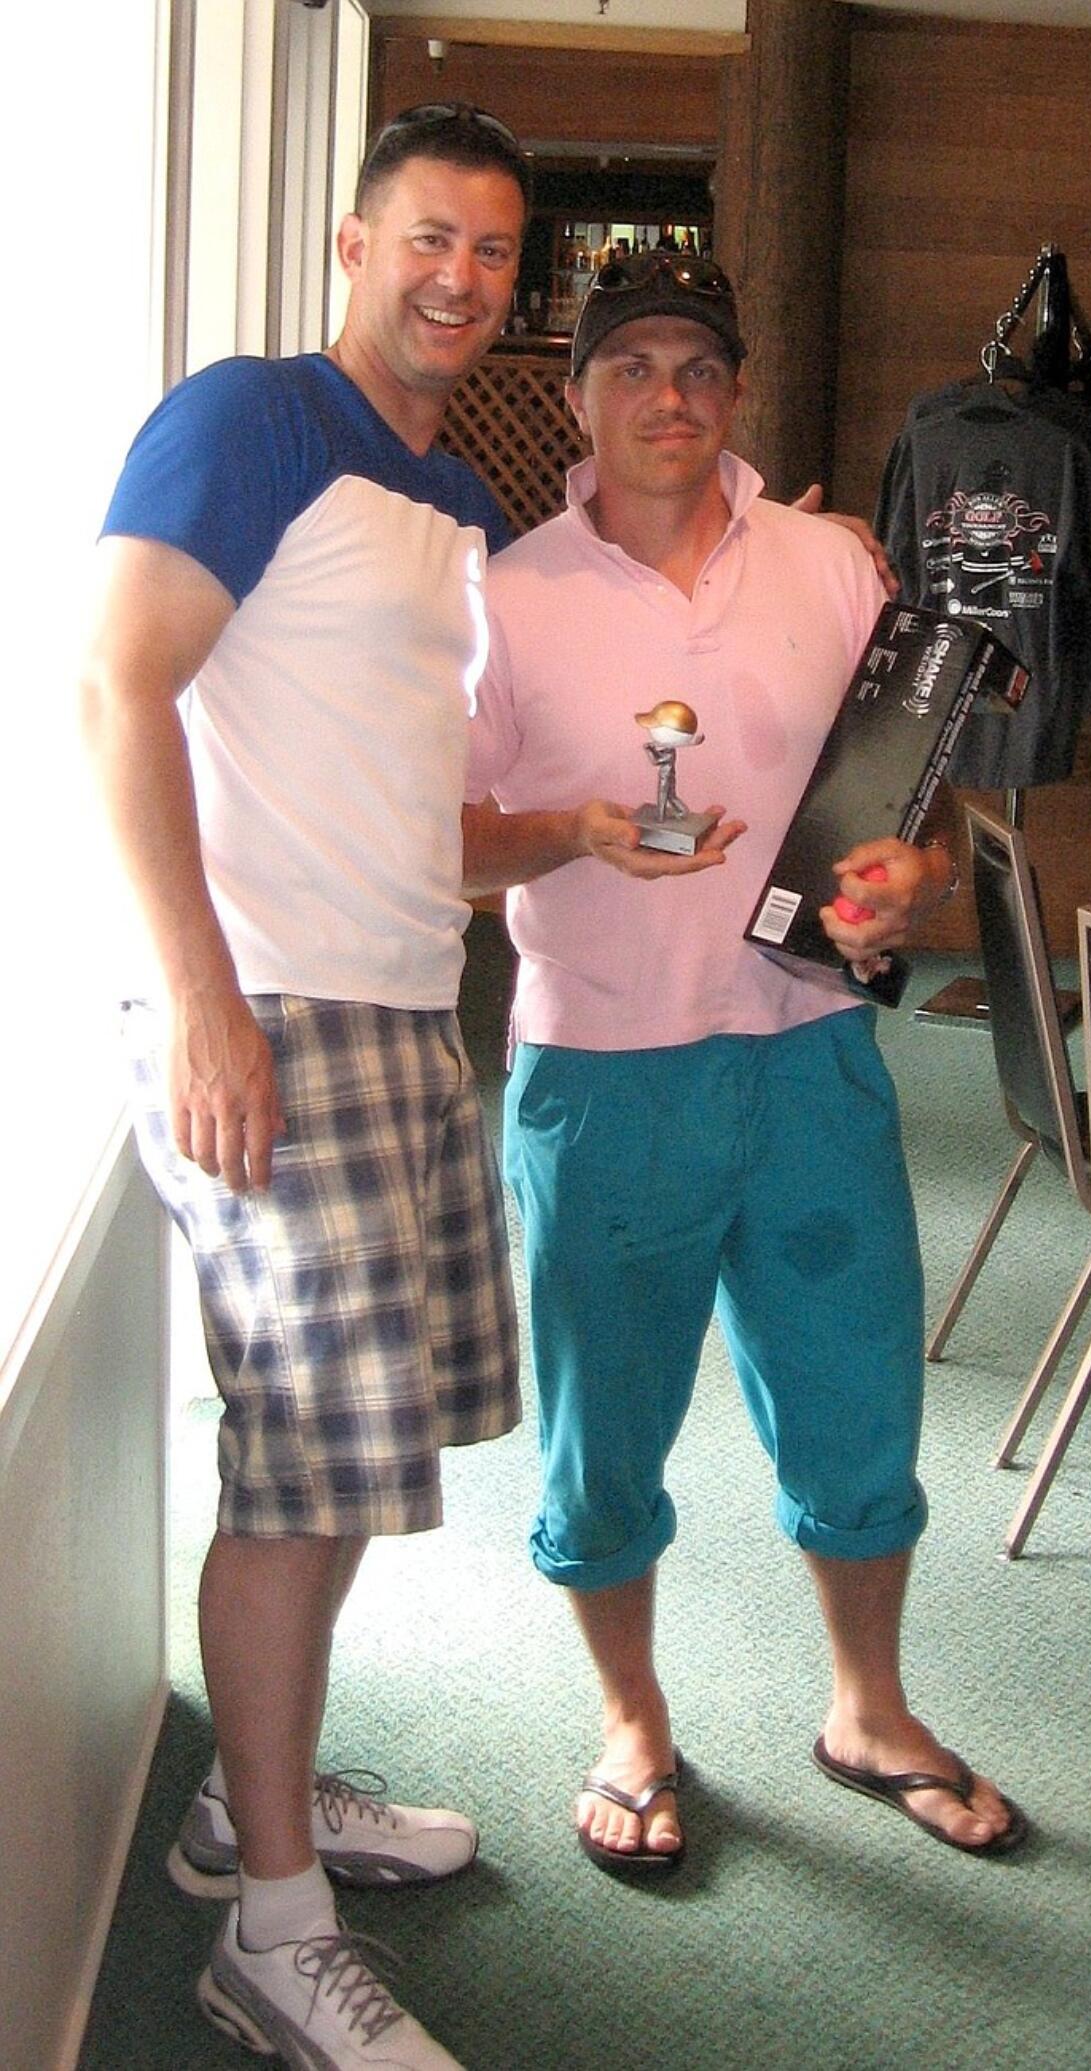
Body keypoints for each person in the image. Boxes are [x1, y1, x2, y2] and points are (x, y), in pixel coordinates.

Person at [461, 250, 1028, 1880]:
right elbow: (434, 841)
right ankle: (632, 1721)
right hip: (603, 1070)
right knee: (605, 1422)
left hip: (806, 1053)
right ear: (576, 395)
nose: (668, 398)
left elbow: (914, 796)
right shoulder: (506, 597)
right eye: (629, 367)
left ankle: (866, 1707)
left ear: (733, 394)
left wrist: (912, 874)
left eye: (698, 369)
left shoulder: (833, 566)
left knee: (856, 1401)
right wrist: (571, 830)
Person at [80, 104, 534, 2071]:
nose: (460, 277)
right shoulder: (250, 414)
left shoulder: (453, 509)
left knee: (355, 1457)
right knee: (298, 1474)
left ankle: (238, 1800)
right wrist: (198, 998)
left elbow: (412, 801)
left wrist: (592, 827)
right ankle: (270, 1931)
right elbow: (115, 682)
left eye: (495, 253)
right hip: (264, 1009)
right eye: (430, 236)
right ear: (355, 244)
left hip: (399, 1010)